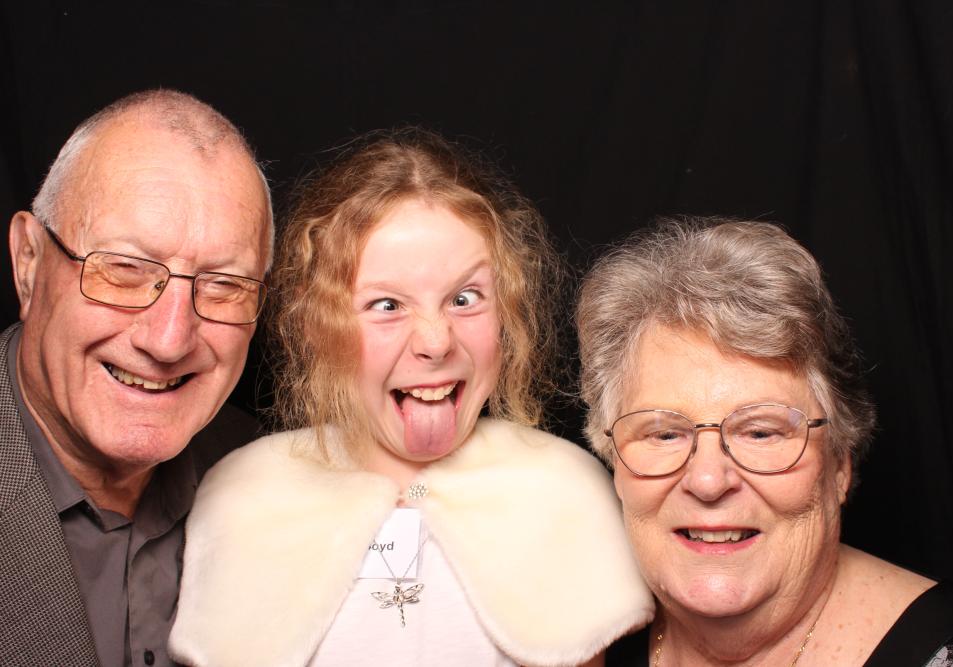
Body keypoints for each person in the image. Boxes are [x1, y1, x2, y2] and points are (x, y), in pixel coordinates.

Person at [169, 128, 653, 666]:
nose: (435, 341)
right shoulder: (245, 499)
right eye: (387, 305)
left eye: (464, 299)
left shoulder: (566, 495)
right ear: (315, 324)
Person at [576, 218, 953, 666]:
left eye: (760, 432)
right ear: (612, 458)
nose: (707, 480)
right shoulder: (566, 637)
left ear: (839, 463)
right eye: (664, 434)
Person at [1, 89, 272, 667]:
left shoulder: (274, 481)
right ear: (29, 263)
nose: (169, 340)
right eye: (123, 270)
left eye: (224, 285)